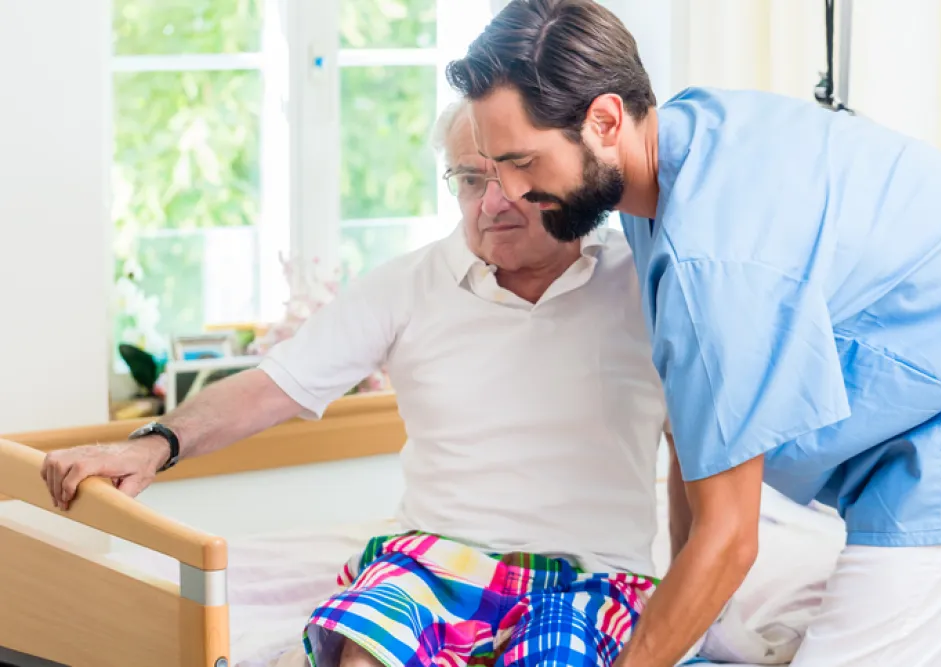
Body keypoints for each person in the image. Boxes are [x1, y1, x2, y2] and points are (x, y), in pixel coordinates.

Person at [445, 1, 941, 665]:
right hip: (922, 413)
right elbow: (698, 423)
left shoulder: (711, 260)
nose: (503, 193)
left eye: (522, 162)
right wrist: (703, 616)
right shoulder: (677, 150)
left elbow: (732, 537)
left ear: (604, 120)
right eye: (489, 167)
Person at [41, 100, 671, 667]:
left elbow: (701, 451)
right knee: (366, 647)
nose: (492, 200)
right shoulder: (407, 285)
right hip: (434, 560)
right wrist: (154, 443)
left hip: (592, 575)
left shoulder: (642, 281)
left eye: (511, 173)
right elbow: (268, 387)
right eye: (471, 179)